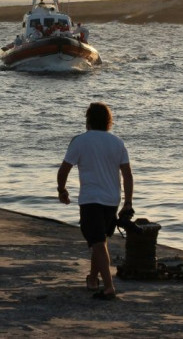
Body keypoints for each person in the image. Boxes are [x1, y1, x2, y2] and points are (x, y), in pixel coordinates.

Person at [56, 102, 134, 301]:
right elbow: (127, 175)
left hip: (91, 200)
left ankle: (108, 287)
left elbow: (64, 169)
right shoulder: (117, 142)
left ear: (88, 120)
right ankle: (92, 279)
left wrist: (62, 190)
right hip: (112, 200)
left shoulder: (81, 141)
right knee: (99, 241)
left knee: (98, 243)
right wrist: (127, 203)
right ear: (109, 121)